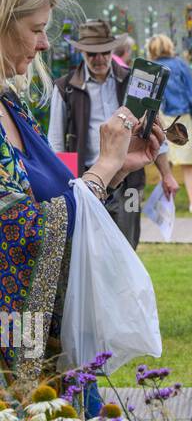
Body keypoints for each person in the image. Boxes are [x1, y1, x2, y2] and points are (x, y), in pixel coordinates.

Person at [0, 0, 163, 403]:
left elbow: (53, 199)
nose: (44, 45)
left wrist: (117, 167)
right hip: (16, 363)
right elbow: (19, 230)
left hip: (52, 351)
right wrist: (103, 167)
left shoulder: (11, 106)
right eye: (35, 30)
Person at [48, 19, 176, 250]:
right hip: (87, 178)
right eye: (91, 54)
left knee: (127, 244)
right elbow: (56, 142)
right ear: (82, 53)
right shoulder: (65, 87)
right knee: (89, 248)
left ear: (111, 50)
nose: (98, 59)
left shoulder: (133, 82)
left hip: (130, 179)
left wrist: (166, 175)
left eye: (104, 52)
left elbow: (155, 130)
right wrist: (60, 187)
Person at [146, 34, 192, 213]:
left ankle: (166, 203)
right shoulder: (180, 65)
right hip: (182, 118)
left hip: (161, 117)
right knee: (188, 162)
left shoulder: (152, 68)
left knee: (164, 162)